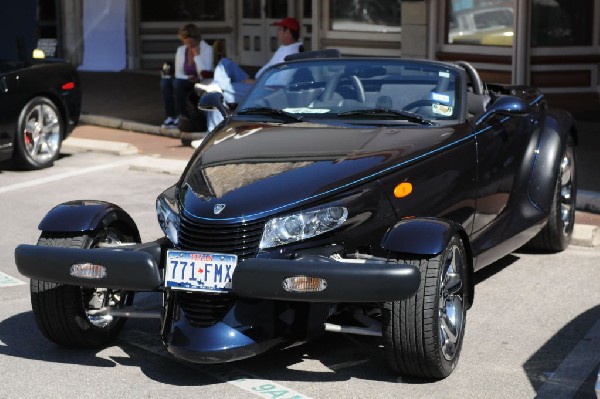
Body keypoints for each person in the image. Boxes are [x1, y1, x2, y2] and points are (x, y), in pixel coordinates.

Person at [203, 17, 303, 131]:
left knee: (218, 96)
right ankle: (218, 85)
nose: (277, 33)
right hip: (256, 81)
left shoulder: (293, 53)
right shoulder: (285, 48)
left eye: (280, 29)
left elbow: (280, 82)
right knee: (225, 63)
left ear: (288, 32)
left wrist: (256, 83)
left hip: (263, 88)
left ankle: (213, 132)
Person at [160, 23, 214, 128]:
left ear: (197, 39)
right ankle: (170, 117)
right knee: (165, 82)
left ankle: (182, 116)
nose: (189, 45)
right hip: (185, 79)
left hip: (201, 80)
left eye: (191, 42)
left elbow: (204, 72)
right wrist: (187, 78)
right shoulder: (181, 50)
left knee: (177, 83)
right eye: (186, 42)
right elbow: (179, 73)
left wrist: (197, 56)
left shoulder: (207, 49)